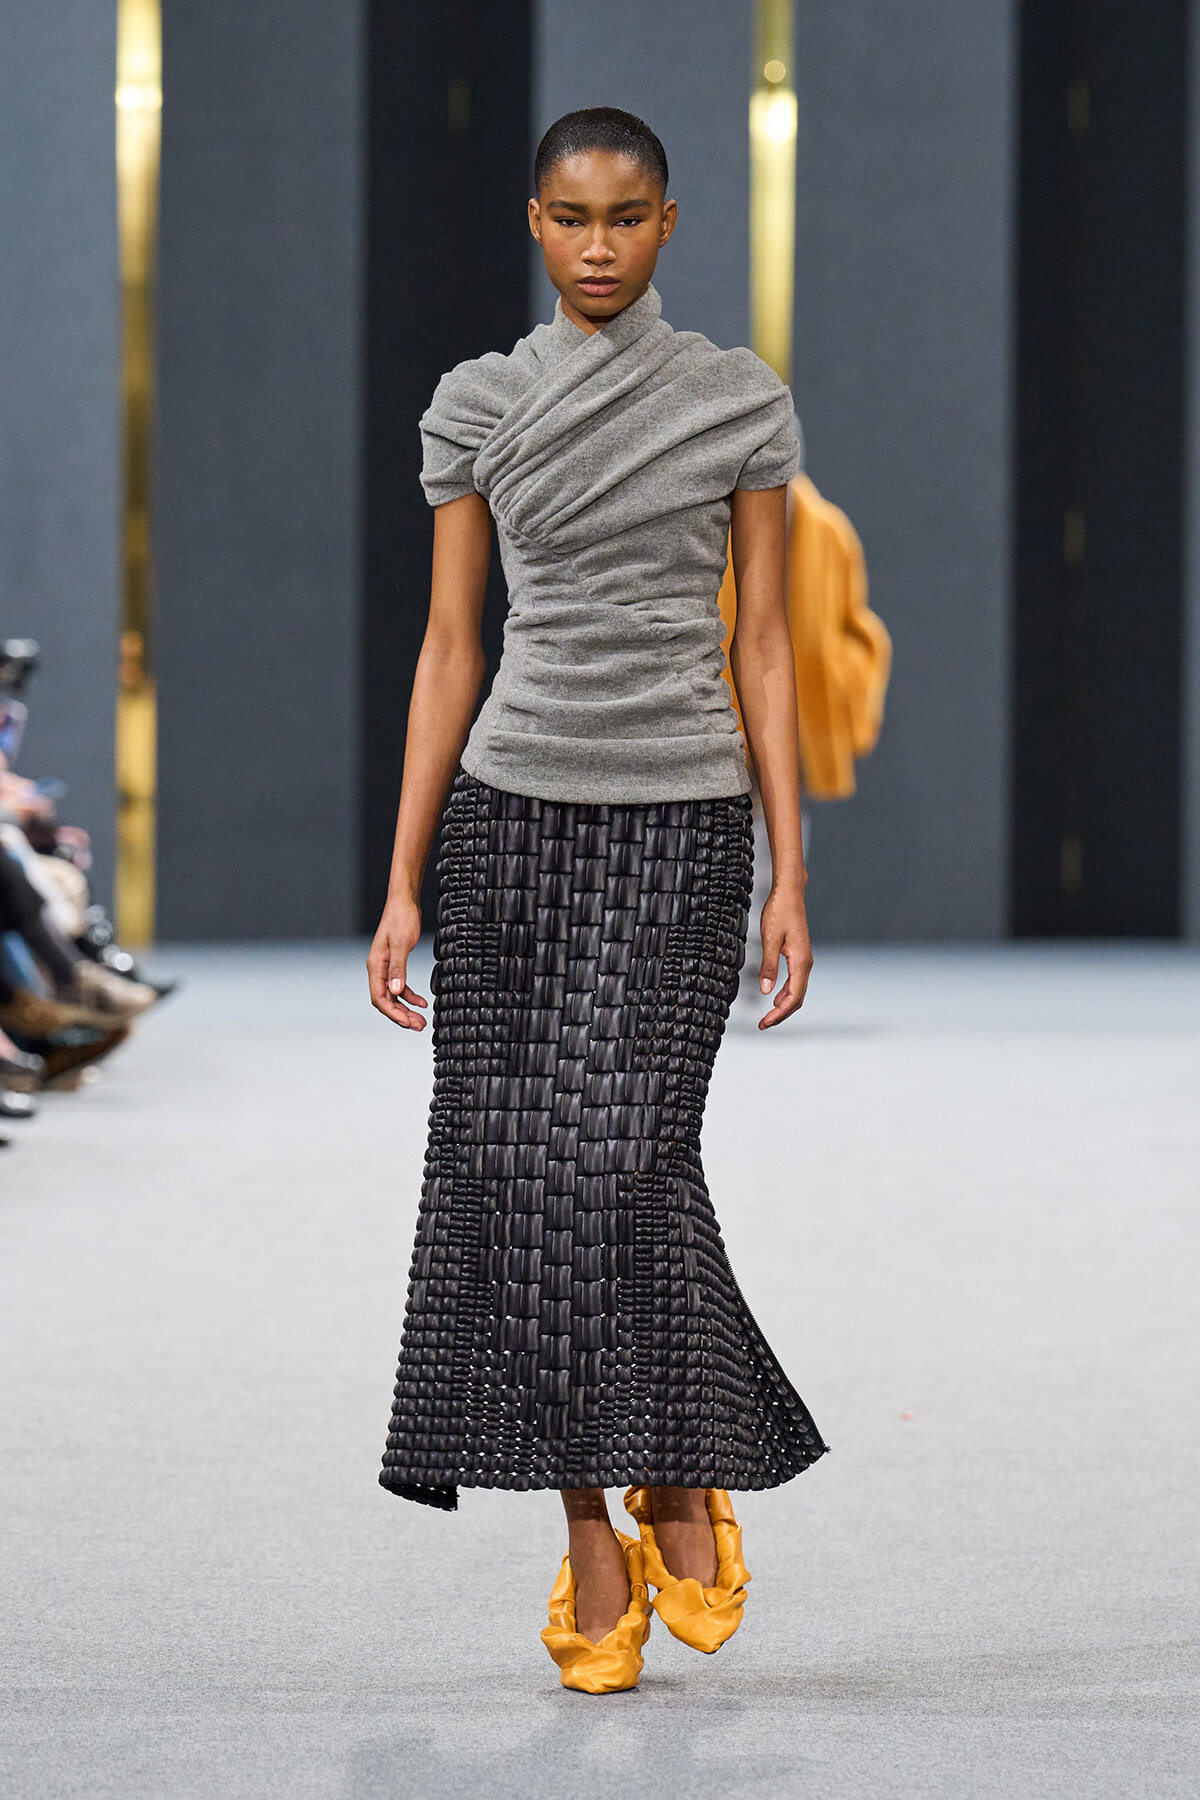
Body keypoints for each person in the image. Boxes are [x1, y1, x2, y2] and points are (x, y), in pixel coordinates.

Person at [368, 107, 828, 1695]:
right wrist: (402, 879)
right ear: (535, 222)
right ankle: (589, 1530)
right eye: (571, 216)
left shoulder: (735, 399)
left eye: (627, 216)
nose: (598, 245)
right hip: (508, 824)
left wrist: (790, 868)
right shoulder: (478, 404)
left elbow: (764, 640)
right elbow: (452, 644)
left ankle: (684, 1466)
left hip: (684, 821)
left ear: (670, 223)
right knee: (514, 1182)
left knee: (625, 1162)